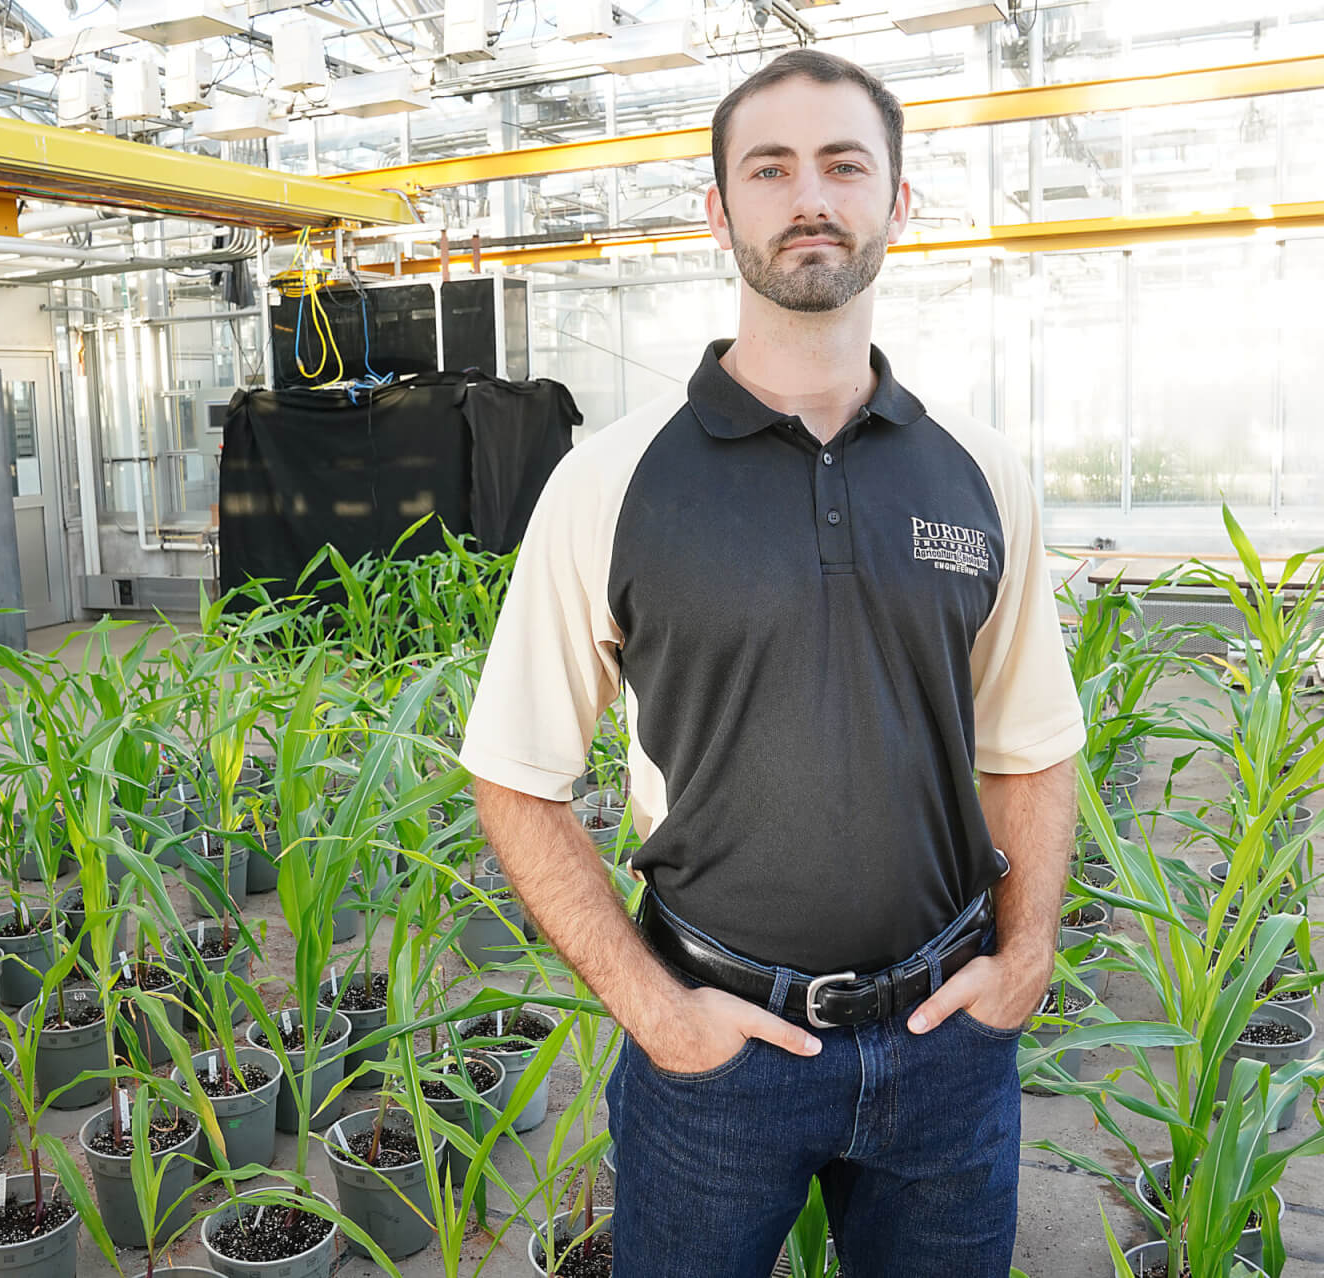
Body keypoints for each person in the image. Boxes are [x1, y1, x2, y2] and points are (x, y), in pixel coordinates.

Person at [459, 48, 1084, 1278]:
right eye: (771, 167)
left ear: (896, 203)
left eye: (844, 164)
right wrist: (653, 1012)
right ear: (718, 210)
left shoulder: (978, 470)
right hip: (718, 1055)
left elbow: (1028, 742)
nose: (811, 196)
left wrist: (1025, 960)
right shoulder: (611, 481)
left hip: (945, 1043)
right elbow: (515, 772)